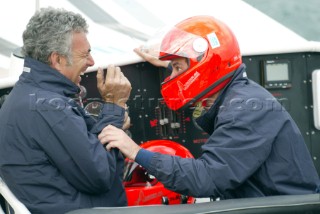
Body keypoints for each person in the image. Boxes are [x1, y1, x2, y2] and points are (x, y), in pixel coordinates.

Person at [99, 15, 320, 200]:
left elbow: (207, 179)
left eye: (177, 68)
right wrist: (171, 64)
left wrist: (136, 152)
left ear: (205, 65)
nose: (173, 76)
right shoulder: (240, 95)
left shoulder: (245, 110)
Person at [0, 7, 131, 213]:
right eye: (85, 54)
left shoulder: (29, 95)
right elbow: (100, 176)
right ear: (57, 60)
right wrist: (114, 108)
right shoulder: (48, 108)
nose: (92, 62)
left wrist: (111, 119)